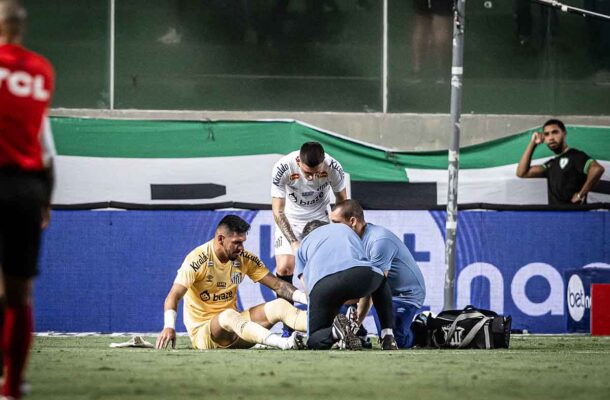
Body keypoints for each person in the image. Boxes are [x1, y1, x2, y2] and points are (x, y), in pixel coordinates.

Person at [0, 1, 55, 398]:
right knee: (19, 293)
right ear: (22, 27)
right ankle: (13, 386)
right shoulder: (40, 72)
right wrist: (45, 201)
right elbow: (46, 150)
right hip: (25, 188)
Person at [156, 215, 308, 351]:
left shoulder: (243, 258)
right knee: (228, 315)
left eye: (242, 242)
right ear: (221, 239)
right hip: (205, 335)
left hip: (237, 329)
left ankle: (328, 329)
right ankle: (284, 343)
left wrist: (307, 298)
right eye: (236, 243)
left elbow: (278, 285)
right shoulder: (197, 259)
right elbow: (173, 296)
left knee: (280, 305)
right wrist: (169, 326)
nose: (241, 248)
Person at [271, 141, 347, 336]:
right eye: (307, 173)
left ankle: (336, 322)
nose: (312, 177)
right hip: (290, 220)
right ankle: (288, 326)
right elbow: (278, 210)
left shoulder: (334, 167)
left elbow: (342, 203)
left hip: (320, 218)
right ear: (298, 161)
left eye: (316, 172)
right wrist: (294, 242)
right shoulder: (283, 167)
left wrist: (339, 232)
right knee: (284, 267)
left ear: (323, 162)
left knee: (327, 267)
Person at [330, 200, 426, 349]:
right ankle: (359, 335)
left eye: (336, 223)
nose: (332, 228)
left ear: (353, 221)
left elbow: (374, 287)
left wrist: (355, 320)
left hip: (405, 296)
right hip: (380, 292)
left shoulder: (378, 241)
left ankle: (424, 327)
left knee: (398, 341)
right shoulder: (349, 241)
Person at [295, 220, 397, 350]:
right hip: (359, 274)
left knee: (314, 339)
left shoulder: (303, 244)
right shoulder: (344, 228)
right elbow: (360, 261)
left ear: (306, 236)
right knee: (381, 280)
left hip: (323, 285)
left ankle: (334, 331)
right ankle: (387, 334)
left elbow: (307, 288)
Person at [516, 119, 605, 205]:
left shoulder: (575, 155)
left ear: (564, 134)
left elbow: (597, 169)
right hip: (555, 217)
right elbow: (522, 173)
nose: (551, 138)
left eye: (555, 132)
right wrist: (533, 143)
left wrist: (580, 194)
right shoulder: (550, 164)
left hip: (575, 215)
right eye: (546, 134)